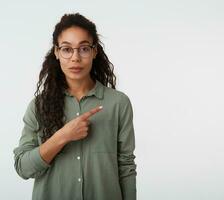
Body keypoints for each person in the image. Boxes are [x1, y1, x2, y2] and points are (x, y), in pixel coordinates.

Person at [13, 13, 137, 200]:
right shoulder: (38, 106)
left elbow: (126, 166)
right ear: (56, 52)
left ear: (95, 51)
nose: (75, 58)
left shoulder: (118, 104)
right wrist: (62, 136)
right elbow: (23, 168)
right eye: (66, 49)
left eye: (84, 48)